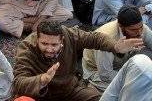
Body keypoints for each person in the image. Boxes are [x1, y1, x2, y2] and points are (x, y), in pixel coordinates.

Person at [11, 19, 144, 101]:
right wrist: (42, 80)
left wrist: (115, 46)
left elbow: (94, 38)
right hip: (40, 95)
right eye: (44, 44)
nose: (49, 49)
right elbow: (19, 82)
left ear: (62, 40)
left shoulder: (68, 34)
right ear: (37, 39)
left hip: (68, 89)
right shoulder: (26, 48)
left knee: (99, 98)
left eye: (54, 45)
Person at [83, 5, 152, 92]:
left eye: (141, 27)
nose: (139, 33)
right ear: (121, 26)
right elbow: (105, 75)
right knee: (135, 90)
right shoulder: (106, 38)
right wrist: (134, 80)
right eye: (133, 30)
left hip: (122, 64)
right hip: (97, 72)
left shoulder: (140, 28)